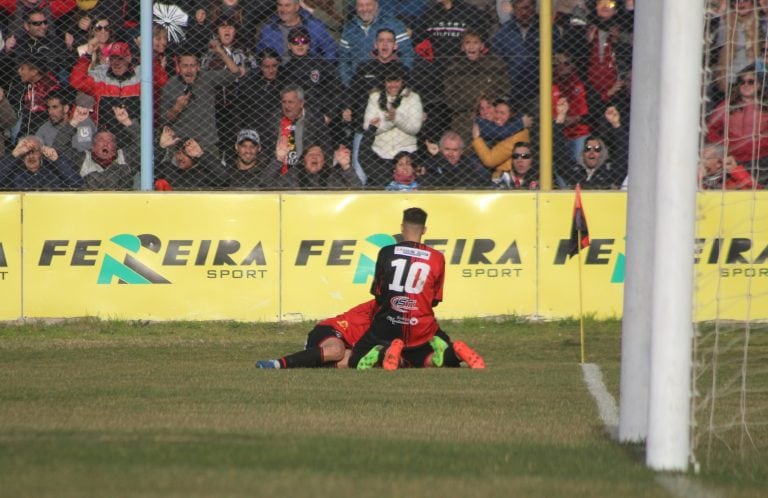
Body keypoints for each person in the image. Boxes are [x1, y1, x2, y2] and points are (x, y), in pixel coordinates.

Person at [255, 299, 485, 369]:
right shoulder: (387, 305)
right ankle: (277, 363)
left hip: (357, 346)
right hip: (335, 331)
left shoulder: (394, 308)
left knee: (346, 360)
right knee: (336, 352)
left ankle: (453, 356)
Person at [348, 207, 446, 370]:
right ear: (424, 230)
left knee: (355, 359)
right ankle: (447, 355)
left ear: (401, 228)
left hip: (388, 322)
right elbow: (434, 300)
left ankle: (383, 353)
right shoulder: (437, 257)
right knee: (423, 356)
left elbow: (378, 293)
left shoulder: (386, 252)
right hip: (419, 326)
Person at [70, 40, 169, 133]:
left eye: (120, 58)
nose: (116, 63)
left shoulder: (140, 74)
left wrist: (149, 57)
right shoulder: (101, 76)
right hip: (104, 135)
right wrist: (88, 54)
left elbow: (161, 80)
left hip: (135, 134)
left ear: (129, 58)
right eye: (113, 58)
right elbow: (76, 81)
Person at [160, 41, 242, 153]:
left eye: (192, 66)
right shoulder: (171, 85)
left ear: (198, 67)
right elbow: (163, 120)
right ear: (178, 67)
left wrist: (220, 51)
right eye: (185, 66)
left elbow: (235, 73)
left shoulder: (207, 78)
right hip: (180, 145)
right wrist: (177, 108)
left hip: (206, 144)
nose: (189, 71)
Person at [443, 29, 510, 145]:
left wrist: (489, 103)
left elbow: (505, 91)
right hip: (464, 122)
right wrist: (478, 102)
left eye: (475, 43)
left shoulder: (495, 65)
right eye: (467, 43)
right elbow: (450, 100)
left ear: (482, 46)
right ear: (462, 47)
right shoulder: (453, 68)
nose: (471, 47)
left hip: (492, 118)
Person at [360, 65, 423, 187]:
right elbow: (368, 127)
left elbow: (415, 128)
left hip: (408, 156)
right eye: (389, 81)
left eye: (397, 81)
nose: (393, 85)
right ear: (384, 82)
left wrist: (395, 118)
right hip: (381, 156)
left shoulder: (413, 98)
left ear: (403, 81)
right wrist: (391, 121)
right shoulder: (374, 97)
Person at [53, 105, 138, 190]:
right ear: (92, 146)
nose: (105, 143)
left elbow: (144, 146)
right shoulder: (83, 159)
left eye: (110, 140)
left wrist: (127, 121)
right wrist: (75, 121)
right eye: (100, 139)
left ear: (115, 146)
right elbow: (59, 147)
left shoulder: (125, 157)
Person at [265, 85, 330, 188]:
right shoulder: (274, 119)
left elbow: (326, 148)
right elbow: (267, 150)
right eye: (284, 102)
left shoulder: (315, 119)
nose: (286, 106)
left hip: (306, 175)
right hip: (279, 174)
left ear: (301, 103)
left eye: (290, 102)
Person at [338, 0, 415, 87]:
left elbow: (407, 54)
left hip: (388, 82)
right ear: (356, 7)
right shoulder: (349, 28)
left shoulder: (393, 24)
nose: (364, 9)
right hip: (359, 83)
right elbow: (344, 59)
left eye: (368, 5)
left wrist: (400, 81)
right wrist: (348, 84)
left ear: (376, 5)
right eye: (360, 5)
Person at [255, 0, 337, 63]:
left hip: (309, 76)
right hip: (281, 79)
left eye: (287, 5)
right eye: (280, 5)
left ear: (297, 7)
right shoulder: (268, 30)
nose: (283, 10)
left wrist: (319, 70)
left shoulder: (314, 26)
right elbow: (260, 58)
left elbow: (331, 50)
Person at [154, 126, 226, 190]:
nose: (180, 158)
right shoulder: (168, 169)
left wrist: (200, 155)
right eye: (178, 153)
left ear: (193, 154)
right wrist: (161, 147)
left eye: (185, 153)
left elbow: (224, 178)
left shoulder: (204, 173)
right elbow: (146, 172)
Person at [0, 135, 82, 190]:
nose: (31, 156)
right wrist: (14, 154)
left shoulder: (53, 169)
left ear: (41, 152)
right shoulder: (12, 170)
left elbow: (77, 183)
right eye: (26, 152)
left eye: (34, 151)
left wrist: (57, 160)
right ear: (21, 155)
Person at [420, 130, 487, 188]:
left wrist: (442, 160)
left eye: (455, 150)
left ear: (461, 152)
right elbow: (430, 184)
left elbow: (456, 182)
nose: (450, 154)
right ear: (440, 149)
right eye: (447, 149)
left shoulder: (468, 165)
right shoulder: (431, 164)